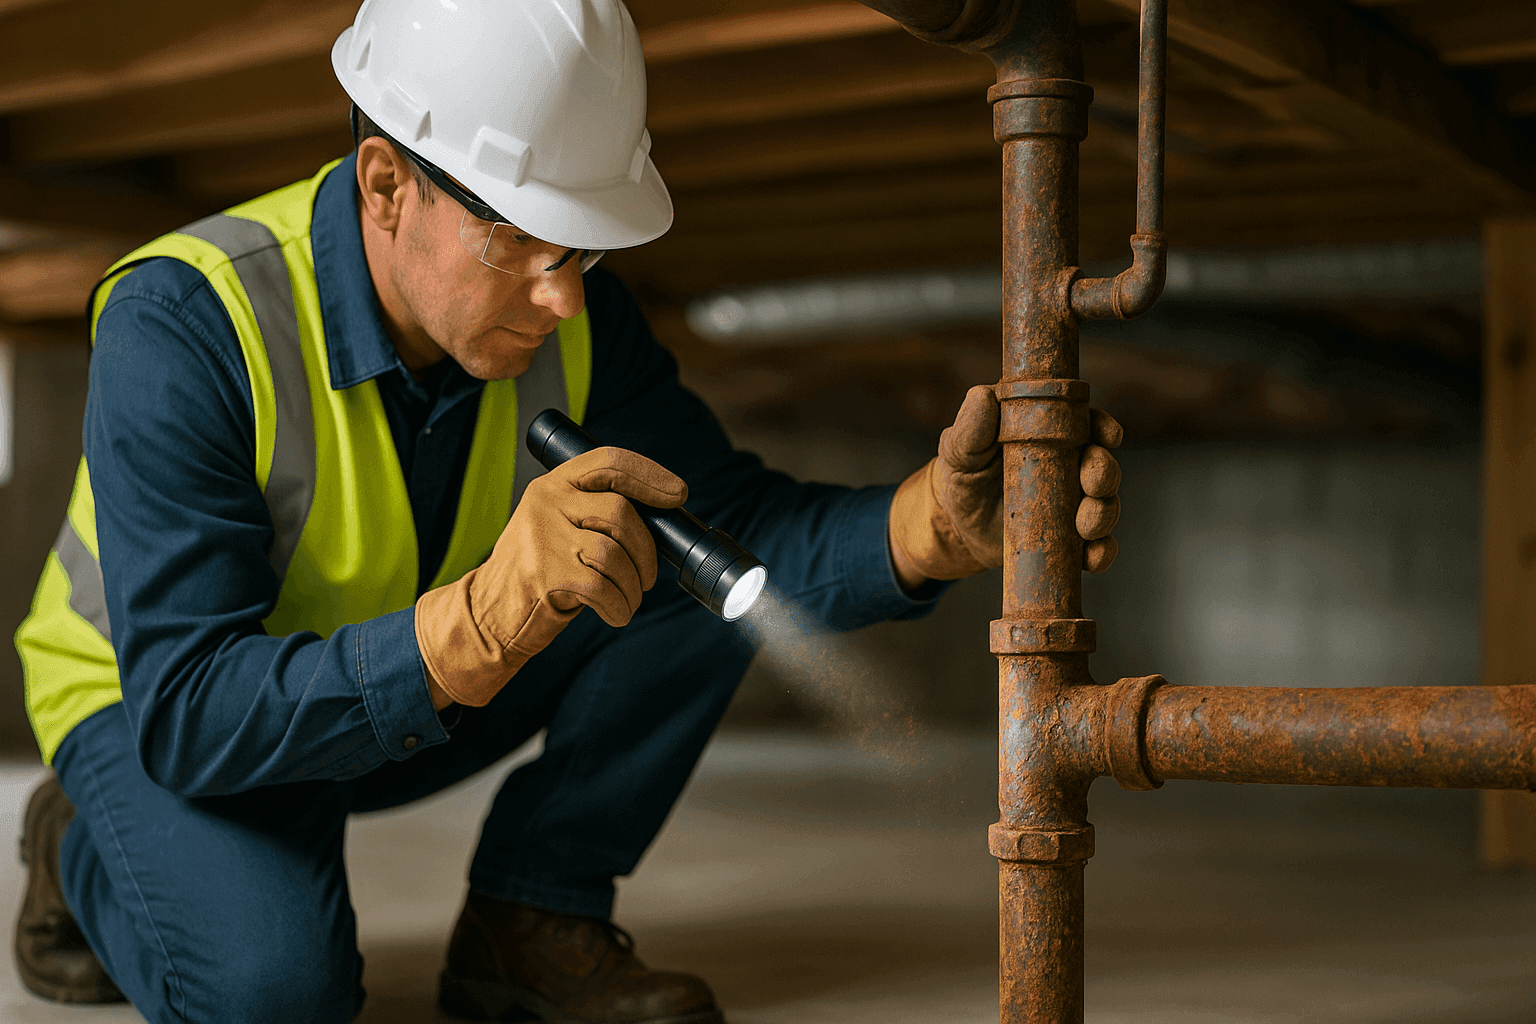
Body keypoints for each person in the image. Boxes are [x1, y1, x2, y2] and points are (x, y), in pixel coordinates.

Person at [11, 0, 1123, 1021]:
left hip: (389, 687)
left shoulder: (576, 319)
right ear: (386, 186)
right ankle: (79, 840)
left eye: (581, 247)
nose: (563, 296)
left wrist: (930, 527)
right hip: (167, 712)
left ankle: (531, 917)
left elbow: (736, 536)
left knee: (679, 561)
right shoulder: (186, 320)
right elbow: (191, 709)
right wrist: (480, 620)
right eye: (519, 241)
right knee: (275, 996)